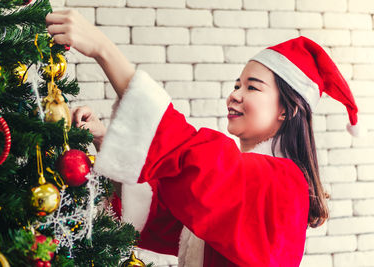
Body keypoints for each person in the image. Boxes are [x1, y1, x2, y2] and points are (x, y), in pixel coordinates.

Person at [46, 10, 361, 267]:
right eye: (237, 85)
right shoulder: (245, 183)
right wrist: (106, 140)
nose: (234, 95)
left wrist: (104, 49)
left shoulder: (282, 182)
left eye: (252, 87)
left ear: (287, 110)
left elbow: (193, 159)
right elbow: (159, 218)